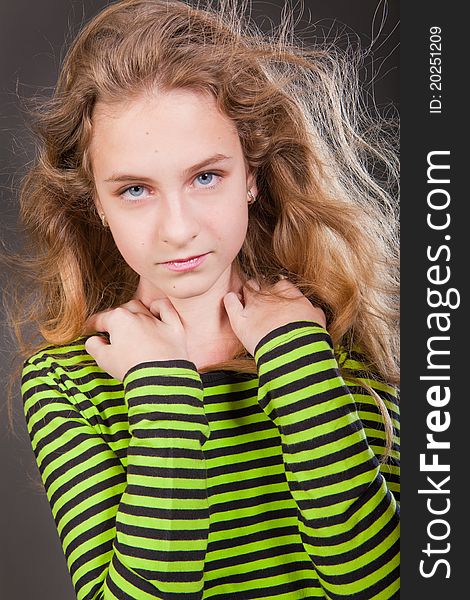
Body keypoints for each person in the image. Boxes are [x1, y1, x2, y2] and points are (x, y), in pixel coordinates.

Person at [12, 0, 400, 598]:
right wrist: (162, 393)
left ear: (251, 173)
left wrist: (298, 364)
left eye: (205, 176)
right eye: (136, 189)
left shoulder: (330, 340)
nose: (177, 228)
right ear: (96, 201)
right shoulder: (68, 384)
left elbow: (377, 585)